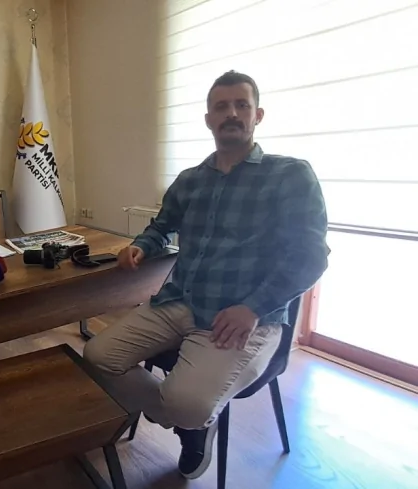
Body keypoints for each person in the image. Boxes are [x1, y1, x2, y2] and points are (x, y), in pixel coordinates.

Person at [83, 71, 329, 479]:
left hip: (243, 317)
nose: (231, 113)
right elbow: (162, 227)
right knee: (97, 357)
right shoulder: (190, 181)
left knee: (187, 403)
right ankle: (191, 422)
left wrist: (253, 308)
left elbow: (311, 256)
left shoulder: (290, 176)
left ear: (257, 115)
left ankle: (191, 419)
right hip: (179, 301)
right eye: (221, 106)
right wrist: (142, 246)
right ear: (208, 119)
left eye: (241, 105)